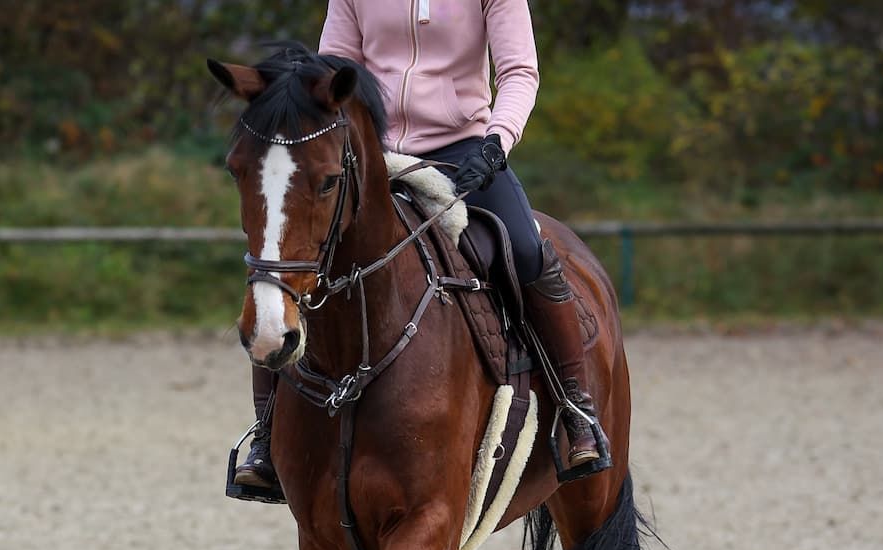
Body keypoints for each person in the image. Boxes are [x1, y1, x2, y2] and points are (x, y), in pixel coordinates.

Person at [230, 0, 609, 502]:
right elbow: (331, 73)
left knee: (525, 249)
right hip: (373, 154)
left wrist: (495, 144)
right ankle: (266, 432)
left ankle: (574, 408)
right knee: (291, 259)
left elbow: (519, 72)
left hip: (464, 151)